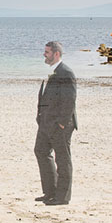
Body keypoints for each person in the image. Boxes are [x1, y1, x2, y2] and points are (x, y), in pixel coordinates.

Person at [35, 40, 77, 206]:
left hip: (60, 124)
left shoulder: (66, 72)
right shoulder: (53, 71)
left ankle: (62, 197)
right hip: (46, 123)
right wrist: (40, 118)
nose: (44, 55)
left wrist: (62, 123)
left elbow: (70, 99)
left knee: (63, 159)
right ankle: (50, 192)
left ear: (56, 54)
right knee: (40, 151)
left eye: (47, 52)